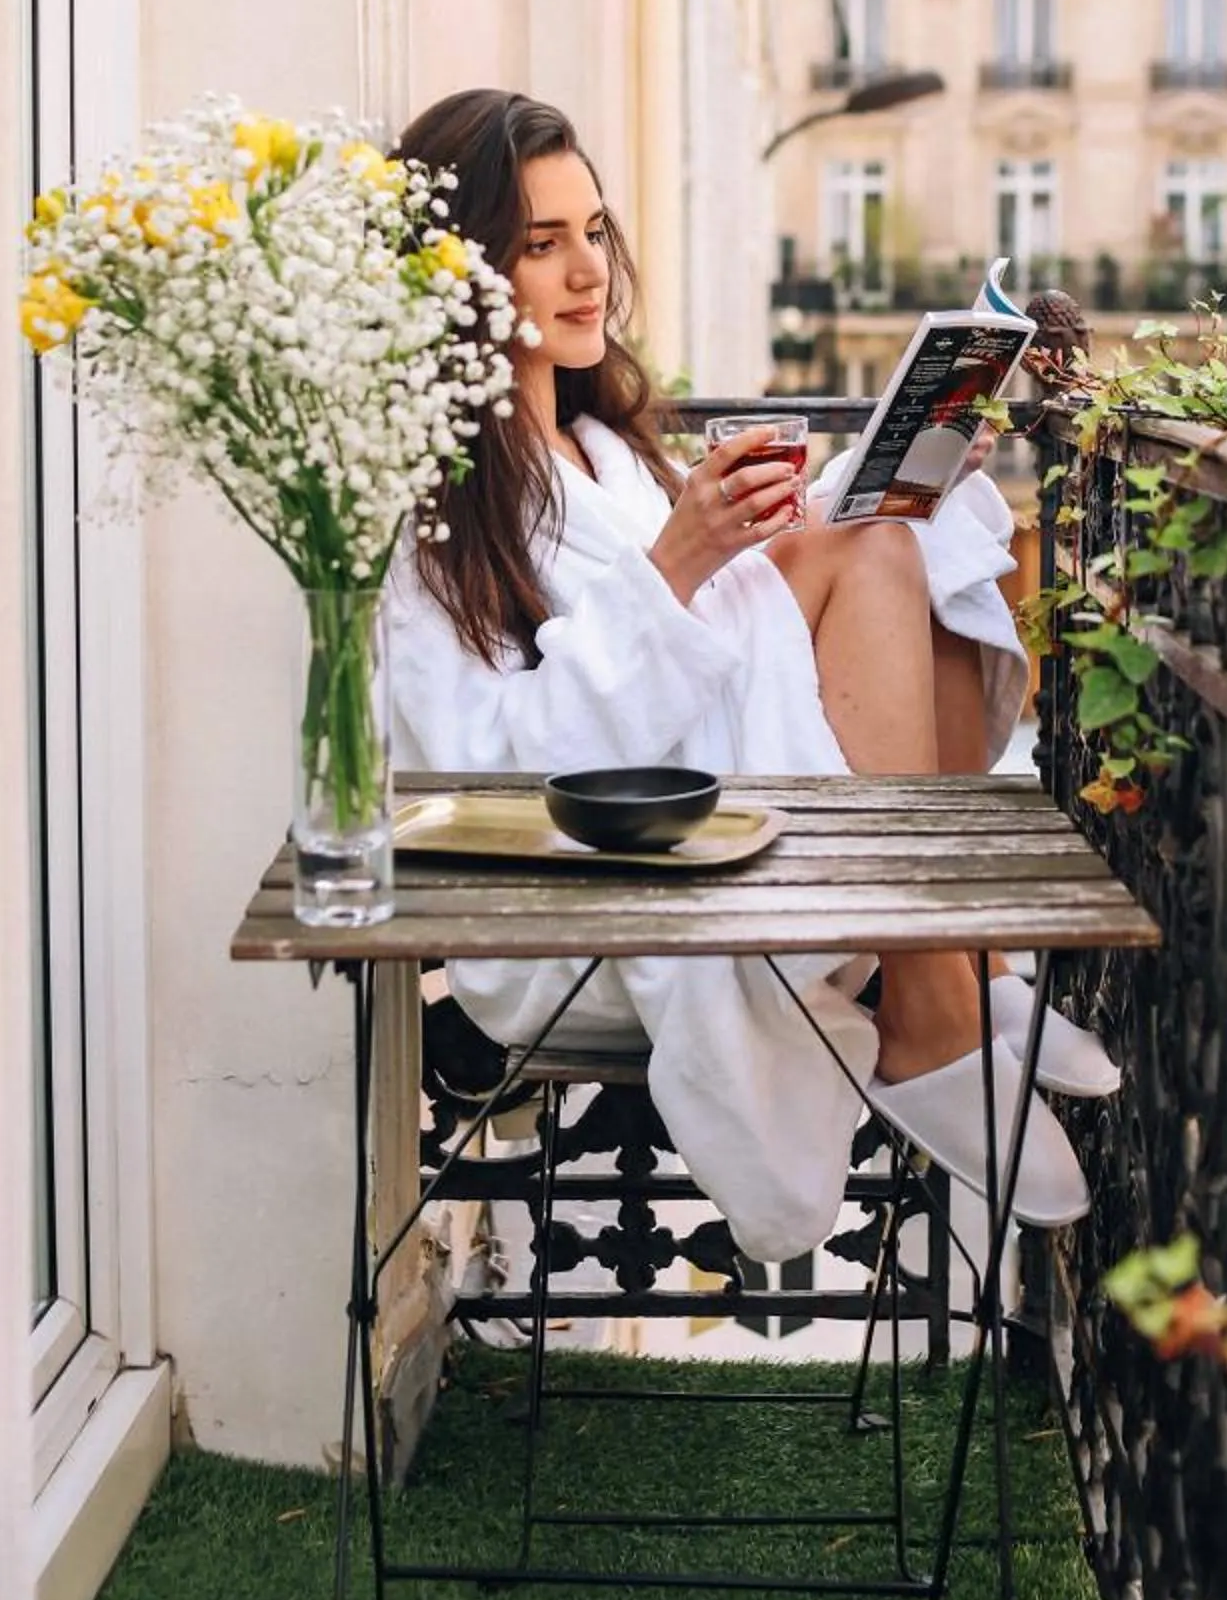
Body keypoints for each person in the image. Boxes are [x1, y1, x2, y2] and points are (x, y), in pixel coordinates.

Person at [383, 88, 1113, 1266]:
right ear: (464, 274)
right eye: (539, 244)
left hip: (700, 804)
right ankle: (936, 996)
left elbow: (731, 614)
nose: (584, 271)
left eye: (593, 232)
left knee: (889, 533)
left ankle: (945, 980)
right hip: (584, 893)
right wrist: (680, 564)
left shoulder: (604, 445)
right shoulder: (432, 517)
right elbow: (485, 770)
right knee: (869, 552)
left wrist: (898, 465)